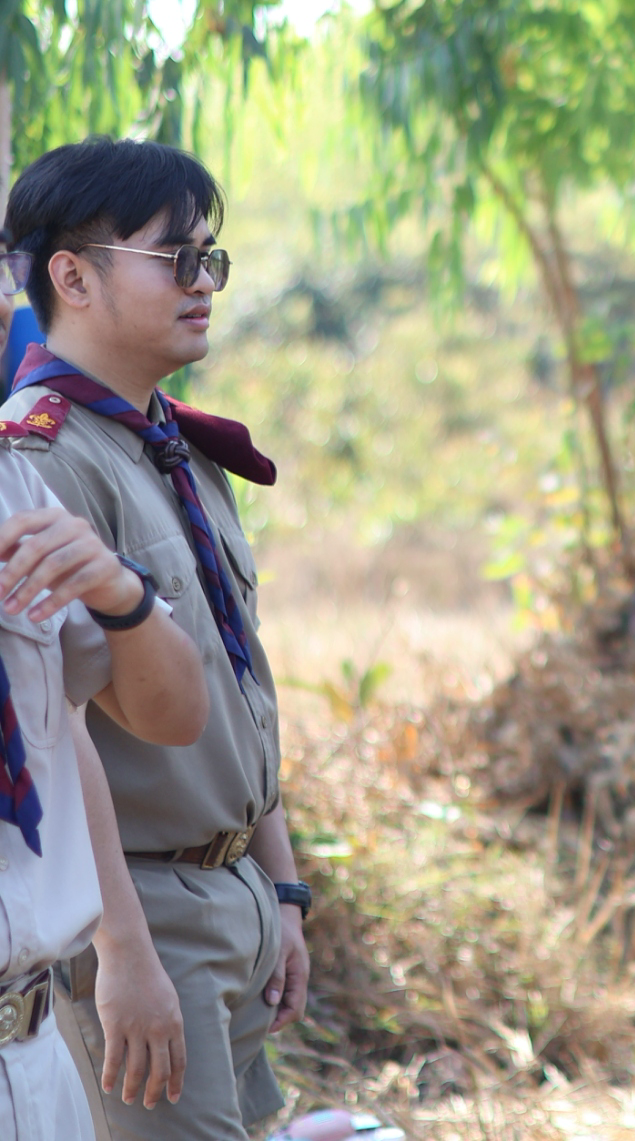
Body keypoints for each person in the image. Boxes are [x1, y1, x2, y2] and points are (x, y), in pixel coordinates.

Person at [0, 139, 310, 1141]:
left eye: (211, 258)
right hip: (141, 908)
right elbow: (61, 727)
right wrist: (123, 948)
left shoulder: (173, 445)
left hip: (232, 892)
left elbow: (241, 677)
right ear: (73, 276)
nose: (203, 282)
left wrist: (281, 887)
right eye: (176, 258)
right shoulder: (41, 459)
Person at [0, 306, 210, 1138]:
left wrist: (122, 596)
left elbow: (171, 713)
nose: (3, 303)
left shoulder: (14, 481)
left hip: (34, 1050)